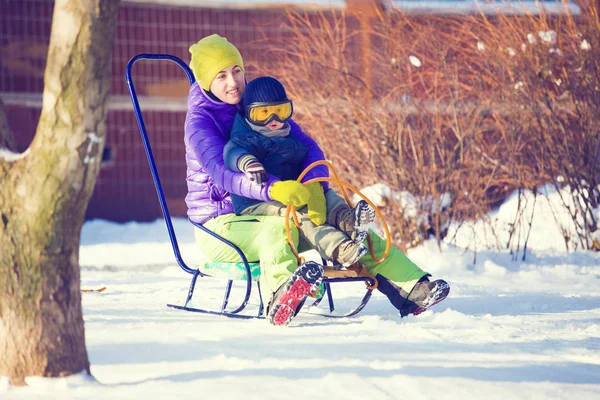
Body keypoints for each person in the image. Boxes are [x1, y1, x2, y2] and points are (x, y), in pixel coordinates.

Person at [185, 34, 450, 326]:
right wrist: (273, 188)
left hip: (282, 208)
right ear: (206, 80)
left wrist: (314, 187)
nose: (232, 82)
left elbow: (308, 146)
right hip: (223, 225)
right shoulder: (200, 122)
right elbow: (224, 174)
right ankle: (279, 297)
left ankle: (412, 287)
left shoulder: (256, 103)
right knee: (277, 231)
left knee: (346, 227)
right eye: (220, 75)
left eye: (236, 71)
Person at [223, 76, 375, 270]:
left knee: (326, 195)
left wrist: (314, 185)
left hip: (293, 191)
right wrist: (248, 162)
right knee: (297, 216)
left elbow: (313, 152)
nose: (274, 120)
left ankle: (347, 220)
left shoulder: (290, 133)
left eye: (280, 111)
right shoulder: (247, 137)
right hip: (257, 202)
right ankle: (339, 248)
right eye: (263, 113)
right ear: (248, 114)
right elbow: (232, 151)